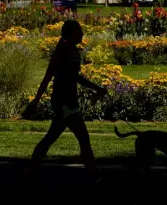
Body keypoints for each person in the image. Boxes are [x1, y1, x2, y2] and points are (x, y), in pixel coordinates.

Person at [22, 20, 107, 182]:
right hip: (64, 103)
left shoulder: (73, 51)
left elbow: (74, 78)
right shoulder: (61, 53)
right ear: (70, 34)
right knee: (83, 138)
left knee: (51, 138)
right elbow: (48, 77)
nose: (82, 34)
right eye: (79, 31)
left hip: (68, 103)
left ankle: (30, 171)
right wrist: (36, 101)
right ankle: (94, 174)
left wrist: (96, 89)